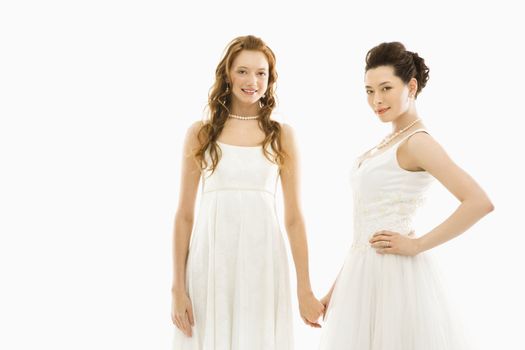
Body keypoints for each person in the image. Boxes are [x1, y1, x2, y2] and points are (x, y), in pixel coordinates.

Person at [319, 42, 494, 349]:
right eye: (369, 91)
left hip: (395, 277)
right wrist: (335, 292)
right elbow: (362, 232)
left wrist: (416, 244)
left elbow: (479, 202)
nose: (377, 100)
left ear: (411, 86)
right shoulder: (387, 142)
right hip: (362, 277)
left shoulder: (417, 142)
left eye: (386, 88)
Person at [171, 35, 324, 350]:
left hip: (263, 261)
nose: (252, 80)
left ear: (270, 79)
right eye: (242, 71)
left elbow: (294, 218)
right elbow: (185, 215)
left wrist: (304, 288)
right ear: (227, 73)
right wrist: (177, 287)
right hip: (211, 261)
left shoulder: (281, 136)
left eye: (261, 73)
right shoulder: (201, 133)